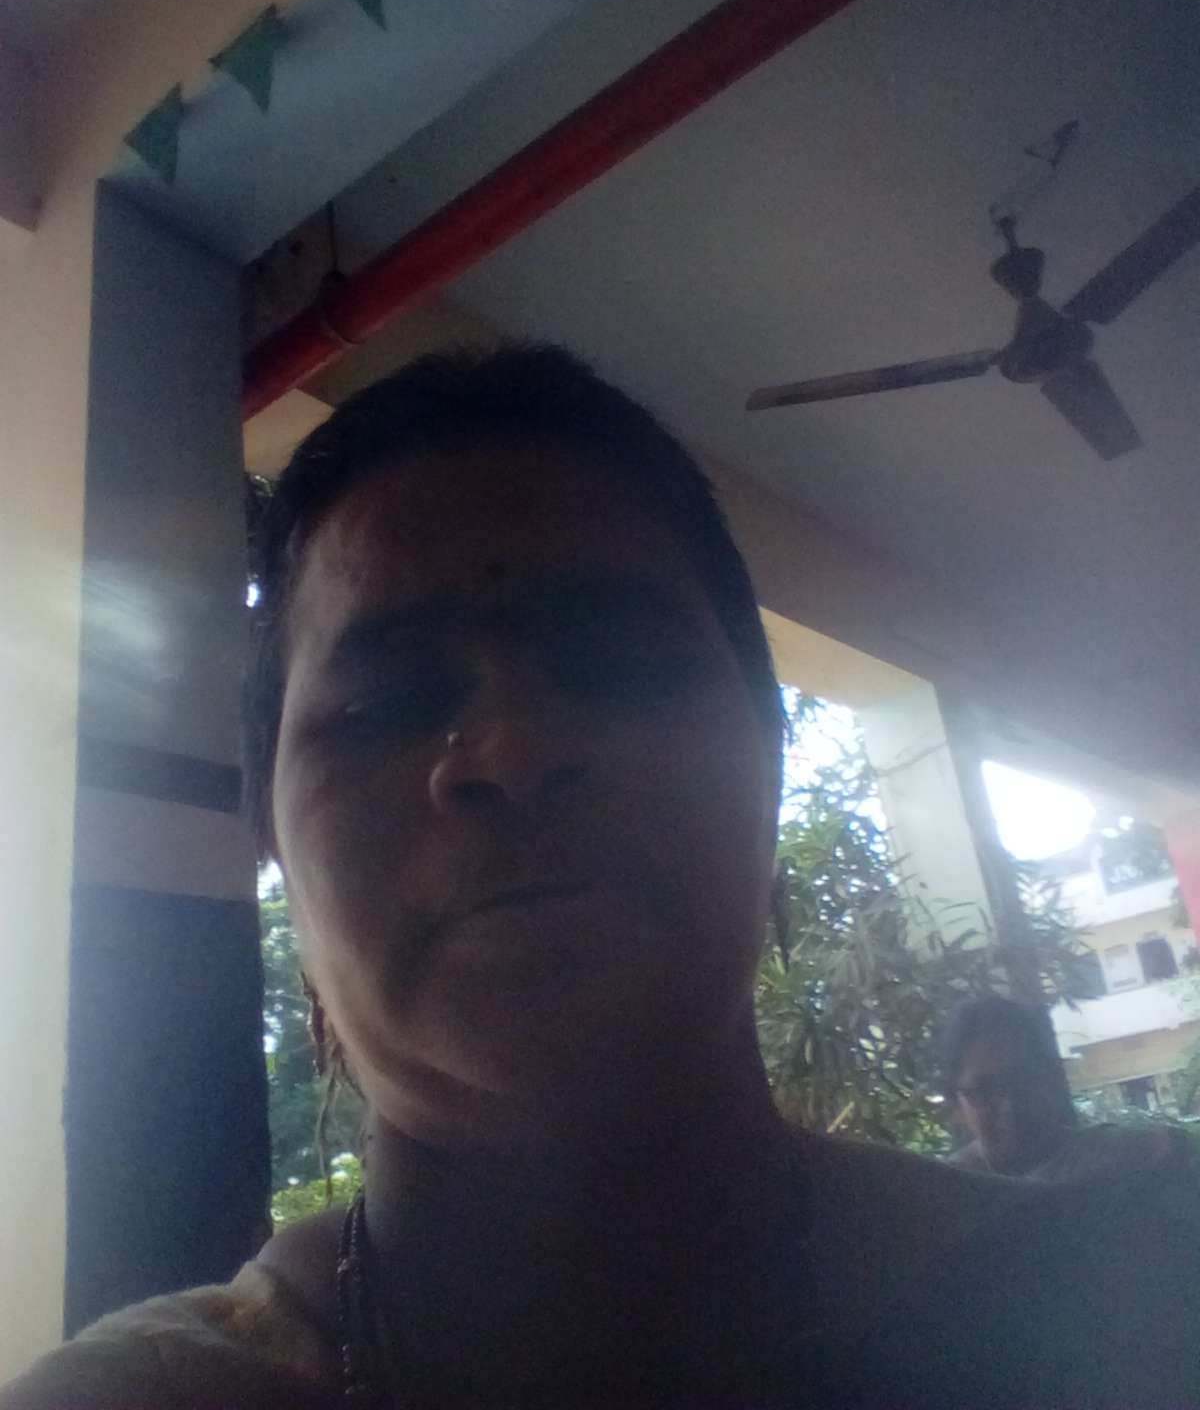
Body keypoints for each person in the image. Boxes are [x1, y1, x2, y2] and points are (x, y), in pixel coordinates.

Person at [6, 345, 1199, 1408]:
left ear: (769, 762)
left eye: (622, 662)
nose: (514, 750)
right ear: (270, 838)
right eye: (383, 702)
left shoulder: (1136, 1316)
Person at [946, 993, 1196, 1185]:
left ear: (1047, 1082)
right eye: (984, 1091)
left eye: (1022, 1081)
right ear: (956, 1105)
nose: (1008, 1105)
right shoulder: (948, 1195)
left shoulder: (1116, 1158)